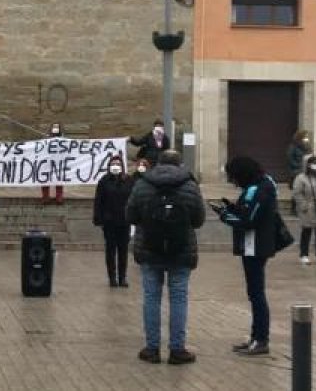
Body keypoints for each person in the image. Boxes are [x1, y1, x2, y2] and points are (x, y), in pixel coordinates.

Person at [126, 150, 205, 365]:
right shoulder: (190, 184)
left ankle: (152, 349)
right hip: (181, 250)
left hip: (150, 249)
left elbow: (130, 215)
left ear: (157, 163)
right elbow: (199, 219)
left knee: (151, 297)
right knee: (178, 298)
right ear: (180, 163)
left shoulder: (143, 183)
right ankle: (177, 350)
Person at [218, 156, 281, 357]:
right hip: (253, 245)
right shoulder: (258, 185)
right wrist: (231, 207)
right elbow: (247, 210)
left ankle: (261, 339)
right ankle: (256, 337)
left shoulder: (260, 188)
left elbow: (249, 219)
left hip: (256, 246)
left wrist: (225, 216)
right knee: (254, 293)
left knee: (257, 294)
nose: (233, 182)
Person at [91, 154, 133, 286]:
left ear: (122, 166)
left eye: (118, 164)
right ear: (109, 166)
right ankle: (112, 277)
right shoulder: (104, 181)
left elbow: (133, 199)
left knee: (123, 250)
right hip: (109, 221)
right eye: (113, 164)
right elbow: (98, 201)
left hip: (124, 221)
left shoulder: (128, 180)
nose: (116, 166)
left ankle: (122, 277)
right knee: (110, 250)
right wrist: (98, 218)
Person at [41, 123, 66, 205]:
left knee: (58, 180)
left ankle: (59, 197)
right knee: (45, 179)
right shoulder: (46, 140)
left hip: (58, 163)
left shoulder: (63, 140)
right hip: (47, 163)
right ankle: (45, 197)